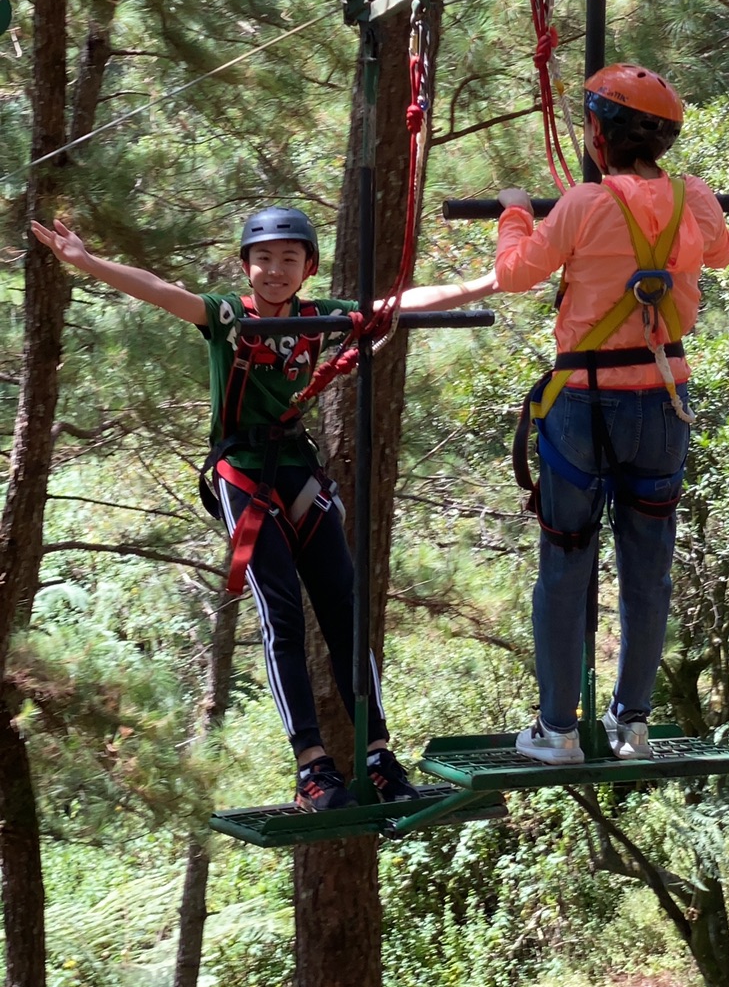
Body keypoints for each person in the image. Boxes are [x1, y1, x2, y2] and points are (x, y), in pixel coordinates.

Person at [31, 203, 431, 814]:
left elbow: (399, 304)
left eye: (288, 260)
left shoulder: (320, 317)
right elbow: (164, 292)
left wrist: (492, 280)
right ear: (246, 267)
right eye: (263, 259)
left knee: (345, 611)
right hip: (241, 471)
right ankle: (312, 767)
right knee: (282, 614)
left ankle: (377, 755)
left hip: (297, 468)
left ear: (307, 268)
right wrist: (88, 263)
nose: (275, 270)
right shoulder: (226, 315)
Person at [423, 64, 729, 766]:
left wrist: (512, 212)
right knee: (648, 564)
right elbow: (719, 250)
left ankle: (558, 730)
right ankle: (632, 726)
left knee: (566, 559)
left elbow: (516, 274)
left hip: (584, 405)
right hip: (662, 399)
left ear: (598, 130)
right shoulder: (696, 197)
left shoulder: (584, 203)